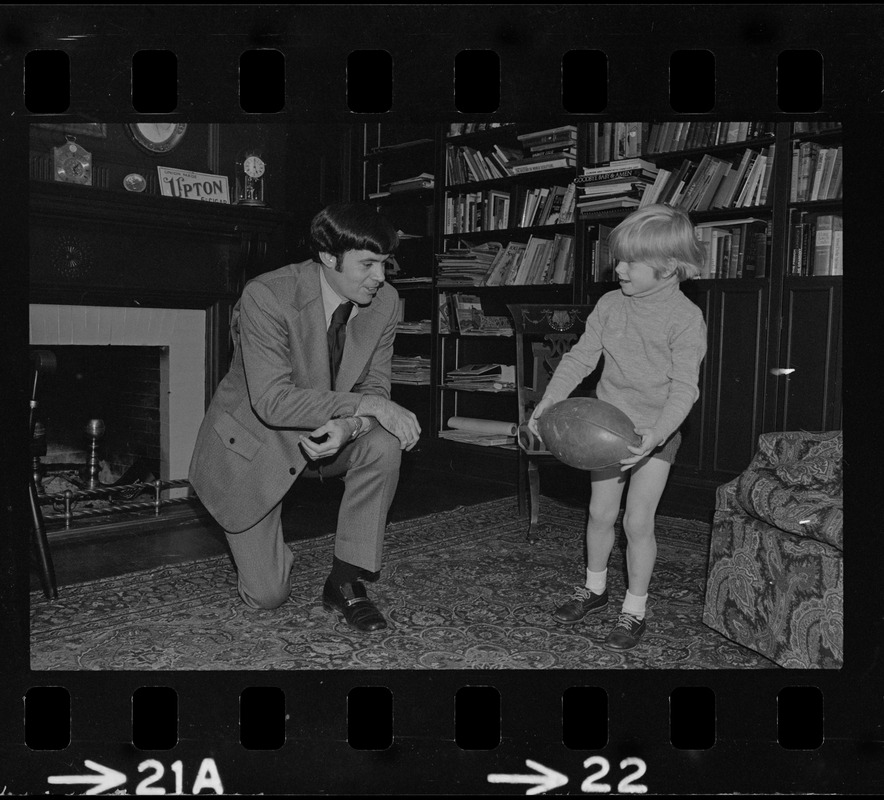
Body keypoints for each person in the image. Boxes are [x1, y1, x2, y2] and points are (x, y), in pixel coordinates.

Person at [189, 203, 421, 633]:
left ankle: (346, 580)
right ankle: (265, 544)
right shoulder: (267, 295)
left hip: (330, 433)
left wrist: (351, 424)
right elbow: (273, 402)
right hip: (258, 443)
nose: (380, 277)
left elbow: (376, 390)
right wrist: (364, 408)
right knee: (268, 595)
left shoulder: (385, 303)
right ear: (328, 258)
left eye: (385, 264)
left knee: (383, 444)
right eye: (367, 264)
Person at [527, 204, 707, 651]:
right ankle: (594, 588)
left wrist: (657, 435)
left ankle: (634, 610)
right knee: (600, 513)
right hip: (605, 428)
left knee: (637, 520)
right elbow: (580, 358)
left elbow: (685, 389)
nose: (618, 268)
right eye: (618, 258)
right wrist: (551, 399)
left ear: (668, 269)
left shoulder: (685, 319)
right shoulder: (610, 304)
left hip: (654, 432)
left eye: (630, 262)